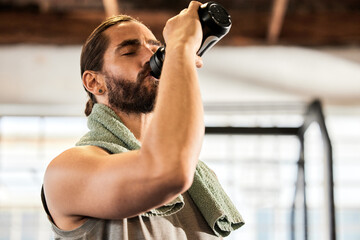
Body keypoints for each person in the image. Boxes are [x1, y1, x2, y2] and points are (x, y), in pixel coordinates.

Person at [42, 1, 243, 239]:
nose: (151, 58)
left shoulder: (200, 180)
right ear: (94, 82)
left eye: (155, 49)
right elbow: (168, 171)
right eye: (129, 51)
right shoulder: (66, 170)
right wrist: (181, 48)